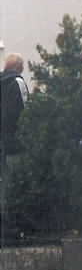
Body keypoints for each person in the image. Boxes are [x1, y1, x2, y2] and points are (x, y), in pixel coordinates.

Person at [1, 53, 28, 236]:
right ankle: (11, 226)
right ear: (21, 68)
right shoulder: (18, 83)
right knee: (12, 185)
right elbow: (26, 114)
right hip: (13, 145)